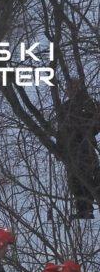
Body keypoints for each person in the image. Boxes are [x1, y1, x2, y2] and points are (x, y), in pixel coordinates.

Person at [55, 78, 100, 220]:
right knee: (75, 182)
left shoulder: (89, 103)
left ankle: (87, 210)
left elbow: (96, 123)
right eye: (68, 88)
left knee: (89, 179)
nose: (68, 91)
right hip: (70, 150)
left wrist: (86, 131)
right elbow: (61, 131)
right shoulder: (64, 107)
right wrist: (60, 149)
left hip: (84, 147)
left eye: (72, 88)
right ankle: (83, 212)